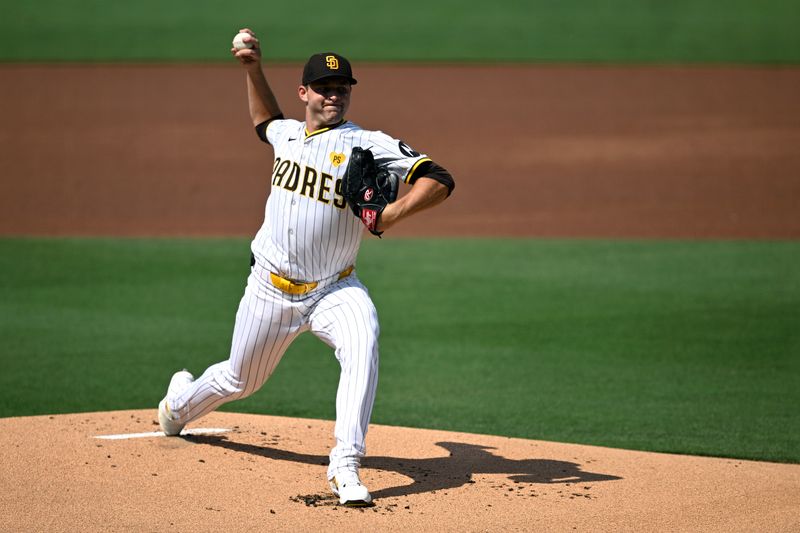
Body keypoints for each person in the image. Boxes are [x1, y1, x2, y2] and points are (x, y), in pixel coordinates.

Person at [157, 28, 455, 507]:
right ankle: (176, 405)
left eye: (342, 88)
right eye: (324, 87)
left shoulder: (368, 143)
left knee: (364, 341)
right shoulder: (288, 135)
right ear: (306, 93)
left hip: (334, 289)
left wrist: (388, 216)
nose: (334, 94)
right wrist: (253, 69)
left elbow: (439, 179)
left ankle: (345, 464)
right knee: (240, 380)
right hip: (269, 290)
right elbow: (264, 121)